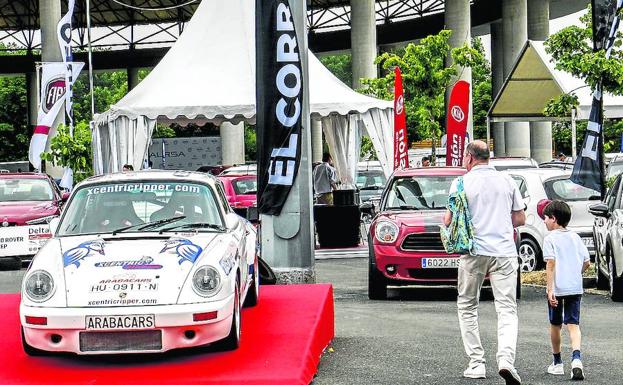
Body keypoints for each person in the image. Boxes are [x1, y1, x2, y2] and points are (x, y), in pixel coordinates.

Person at [443, 140, 525, 385]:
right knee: (507, 309)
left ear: (469, 157)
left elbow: (449, 220)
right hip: (504, 253)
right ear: (488, 157)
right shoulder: (507, 181)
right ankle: (506, 361)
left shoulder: (459, 183)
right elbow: (519, 218)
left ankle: (477, 363)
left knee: (467, 306)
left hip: (473, 252)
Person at [541, 200, 590, 380]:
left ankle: (558, 363)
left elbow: (550, 263)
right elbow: (587, 262)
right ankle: (576, 360)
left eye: (545, 218)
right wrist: (576, 274)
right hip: (575, 287)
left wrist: (549, 289)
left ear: (553, 219)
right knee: (573, 325)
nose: (544, 221)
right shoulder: (576, 237)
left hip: (557, 288)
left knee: (555, 324)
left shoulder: (550, 239)